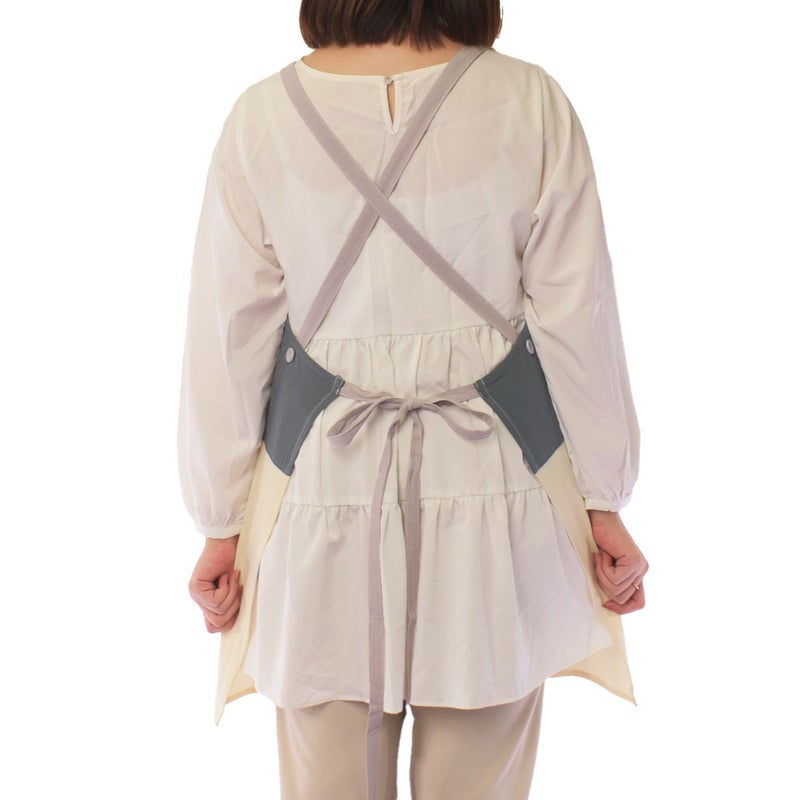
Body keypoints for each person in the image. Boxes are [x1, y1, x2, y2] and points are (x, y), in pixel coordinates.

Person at [178, 2, 648, 798]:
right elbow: (581, 320)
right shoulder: (529, 102)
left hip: (321, 499)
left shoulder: (261, 119)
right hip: (493, 499)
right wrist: (604, 500)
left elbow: (227, 341)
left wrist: (220, 524)